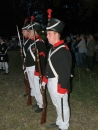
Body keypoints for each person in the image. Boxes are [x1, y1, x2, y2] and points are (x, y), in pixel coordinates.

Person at [41, 17, 72, 130]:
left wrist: (62, 88)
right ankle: (59, 121)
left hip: (59, 83)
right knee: (56, 104)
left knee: (63, 106)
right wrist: (45, 78)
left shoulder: (63, 50)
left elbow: (65, 72)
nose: (47, 36)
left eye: (49, 34)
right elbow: (48, 65)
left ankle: (64, 126)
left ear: (56, 34)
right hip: (51, 82)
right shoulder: (52, 49)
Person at [25, 19, 47, 113]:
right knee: (34, 87)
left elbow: (42, 58)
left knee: (38, 88)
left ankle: (42, 105)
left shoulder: (39, 43)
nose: (28, 32)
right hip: (31, 67)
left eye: (30, 31)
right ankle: (39, 103)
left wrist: (38, 71)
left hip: (36, 69)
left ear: (34, 32)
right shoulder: (32, 42)